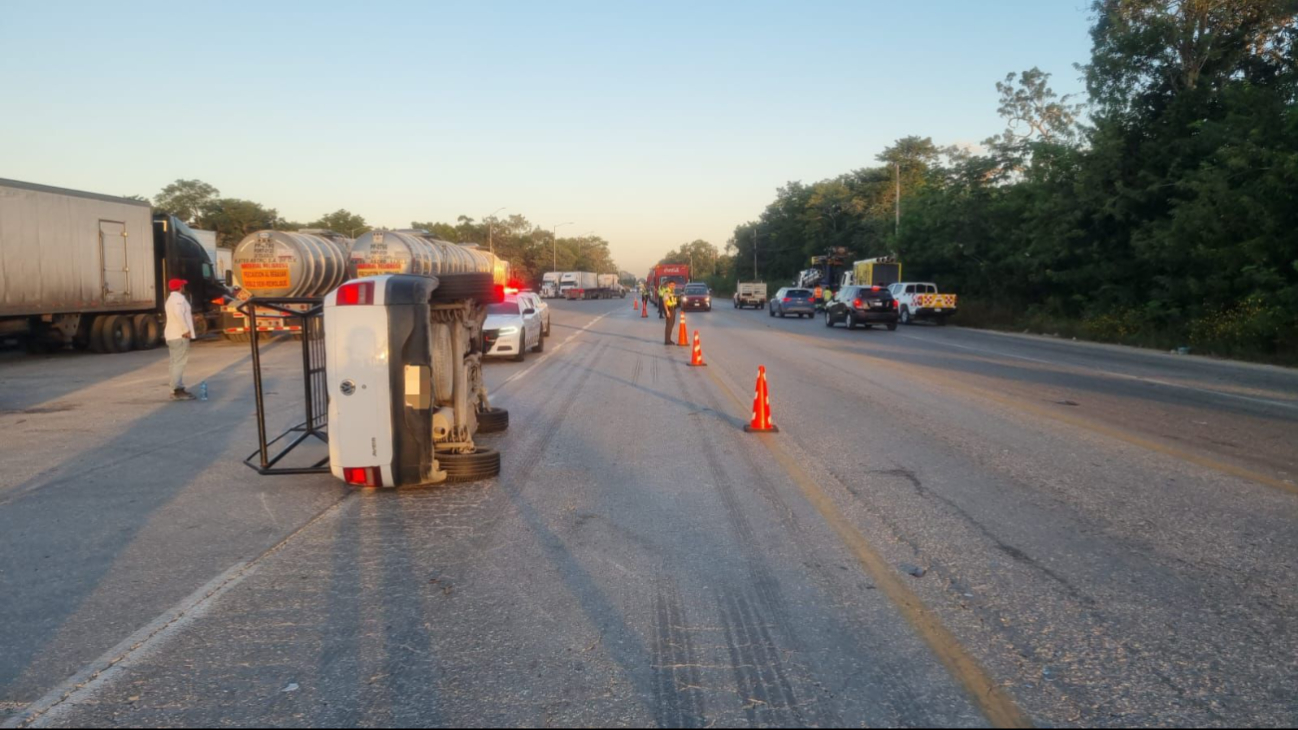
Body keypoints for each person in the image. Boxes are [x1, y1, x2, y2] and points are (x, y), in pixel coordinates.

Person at [164, 278, 197, 401]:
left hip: (172, 335)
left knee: (174, 362)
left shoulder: (170, 299)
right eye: (183, 285)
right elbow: (178, 314)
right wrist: (185, 330)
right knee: (179, 362)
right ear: (180, 287)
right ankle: (177, 389)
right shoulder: (179, 299)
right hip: (179, 335)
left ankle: (175, 388)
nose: (184, 287)